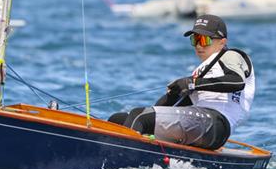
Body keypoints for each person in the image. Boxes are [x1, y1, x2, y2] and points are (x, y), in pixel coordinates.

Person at [108, 14, 255, 150]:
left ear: (222, 42)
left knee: (140, 116)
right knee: (119, 119)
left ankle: (120, 158)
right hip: (201, 123)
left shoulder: (231, 55)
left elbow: (236, 82)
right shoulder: (201, 72)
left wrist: (191, 83)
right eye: (195, 40)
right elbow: (174, 104)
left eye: (204, 40)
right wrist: (174, 93)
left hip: (218, 124)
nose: (199, 45)